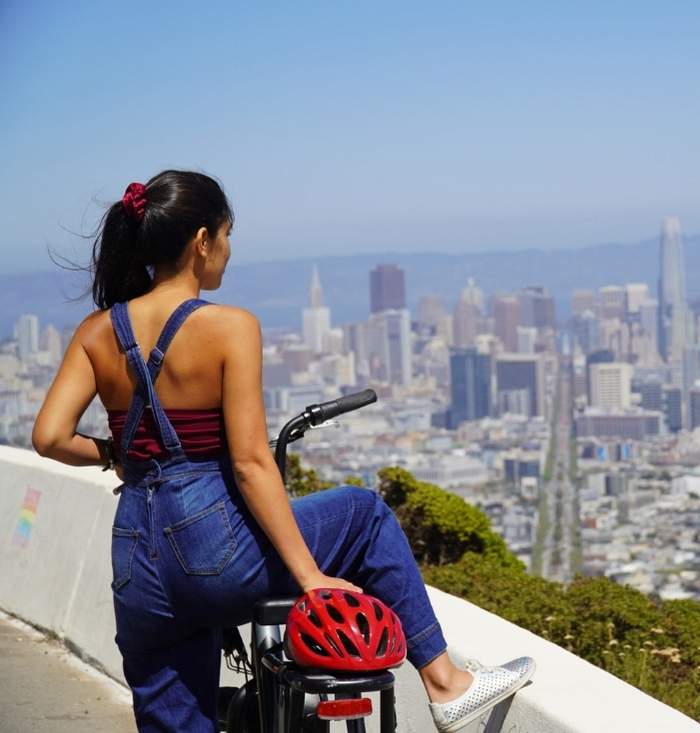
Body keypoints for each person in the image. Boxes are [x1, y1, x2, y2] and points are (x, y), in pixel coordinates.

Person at [31, 170, 534, 732]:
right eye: (226, 235)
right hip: (212, 550)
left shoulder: (97, 331)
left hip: (136, 559)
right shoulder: (229, 328)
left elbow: (49, 437)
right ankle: (447, 684)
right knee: (363, 514)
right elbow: (250, 463)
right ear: (202, 242)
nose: (228, 249)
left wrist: (113, 453)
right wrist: (311, 576)